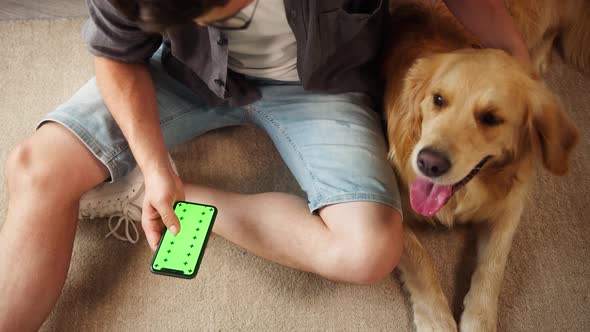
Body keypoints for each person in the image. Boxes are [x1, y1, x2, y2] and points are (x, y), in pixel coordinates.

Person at [0, 0, 531, 330]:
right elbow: (117, 54)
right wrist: (157, 163)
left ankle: (161, 194)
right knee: (36, 168)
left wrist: (521, 75)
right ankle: (153, 182)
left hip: (322, 85)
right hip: (183, 73)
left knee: (368, 251)